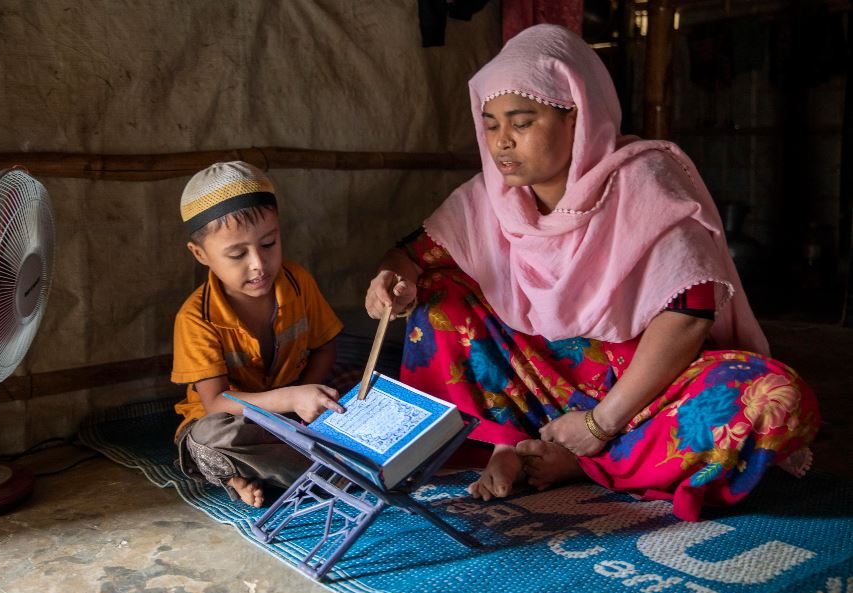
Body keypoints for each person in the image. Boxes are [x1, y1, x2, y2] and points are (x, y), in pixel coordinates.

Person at [364, 25, 820, 521]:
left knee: (773, 397)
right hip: (540, 380)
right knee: (438, 296)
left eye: (521, 122)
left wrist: (601, 423)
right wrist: (393, 280)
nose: (502, 143)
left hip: (643, 387)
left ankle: (582, 460)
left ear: (576, 118)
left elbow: (691, 313)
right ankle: (511, 442)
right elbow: (413, 255)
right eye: (491, 125)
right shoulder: (490, 197)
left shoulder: (644, 183)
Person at [172, 161, 344, 508]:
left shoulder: (297, 282)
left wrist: (306, 403)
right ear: (200, 254)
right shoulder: (195, 318)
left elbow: (325, 347)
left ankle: (250, 474)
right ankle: (337, 474)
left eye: (268, 243)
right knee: (207, 439)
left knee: (357, 396)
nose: (258, 264)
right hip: (234, 424)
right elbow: (217, 403)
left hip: (291, 422)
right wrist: (290, 399)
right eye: (237, 254)